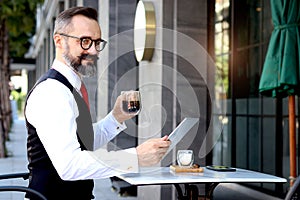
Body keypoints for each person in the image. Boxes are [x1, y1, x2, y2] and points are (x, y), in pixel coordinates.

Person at [24, 6, 170, 200]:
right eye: (85, 41)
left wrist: (115, 118)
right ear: (59, 41)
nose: (93, 50)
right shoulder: (52, 92)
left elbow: (84, 142)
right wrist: (135, 157)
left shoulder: (70, 87)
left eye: (97, 42)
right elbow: (70, 166)